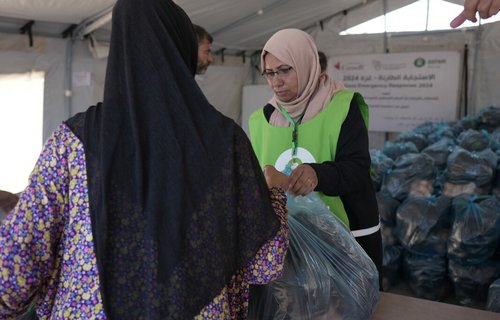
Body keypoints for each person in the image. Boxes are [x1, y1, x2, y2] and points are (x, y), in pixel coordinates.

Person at [0, 0, 289, 319]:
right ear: (181, 49)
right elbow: (265, 264)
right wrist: (275, 193)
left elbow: (17, 262)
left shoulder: (73, 142)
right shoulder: (227, 143)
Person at [248, 28, 383, 279]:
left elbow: (357, 169)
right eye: (269, 73)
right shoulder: (262, 119)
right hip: (291, 239)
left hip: (347, 234)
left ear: (306, 63)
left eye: (285, 70)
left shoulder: (342, 105)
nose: (276, 81)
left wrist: (317, 174)